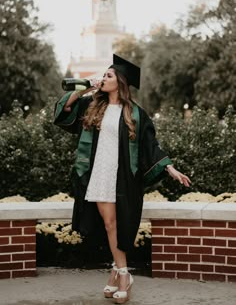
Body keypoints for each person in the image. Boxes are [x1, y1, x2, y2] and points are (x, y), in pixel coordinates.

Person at [54, 54, 191, 304]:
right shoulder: (91, 106)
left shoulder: (136, 114)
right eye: (103, 75)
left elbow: (151, 145)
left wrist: (169, 168)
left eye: (108, 75)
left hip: (123, 176)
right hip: (98, 172)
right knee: (108, 225)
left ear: (121, 82)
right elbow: (64, 112)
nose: (103, 78)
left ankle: (122, 273)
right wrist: (84, 86)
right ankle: (120, 271)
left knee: (120, 224)